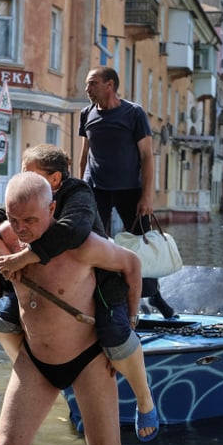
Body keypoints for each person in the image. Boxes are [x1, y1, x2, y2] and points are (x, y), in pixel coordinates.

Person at [0, 144, 158, 441]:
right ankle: (37, 370)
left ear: (54, 183)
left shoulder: (79, 195)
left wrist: (25, 256)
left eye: (30, 173)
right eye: (22, 174)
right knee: (2, 318)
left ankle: (144, 399)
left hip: (100, 286)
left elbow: (74, 229)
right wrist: (2, 261)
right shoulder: (21, 209)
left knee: (116, 336)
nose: (24, 179)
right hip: (37, 356)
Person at [0, 171, 138, 445]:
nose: (21, 229)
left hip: (87, 360)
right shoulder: (7, 236)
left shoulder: (83, 247)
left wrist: (130, 325)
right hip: (34, 360)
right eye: (14, 218)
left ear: (51, 209)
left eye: (30, 221)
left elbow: (131, 264)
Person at [79, 66, 174, 318]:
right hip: (97, 189)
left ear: (110, 84)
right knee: (95, 244)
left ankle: (154, 296)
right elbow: (84, 155)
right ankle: (103, 298)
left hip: (130, 191)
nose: (87, 89)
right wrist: (80, 189)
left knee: (143, 243)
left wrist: (147, 196)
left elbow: (147, 157)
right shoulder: (86, 113)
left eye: (92, 83)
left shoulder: (133, 113)